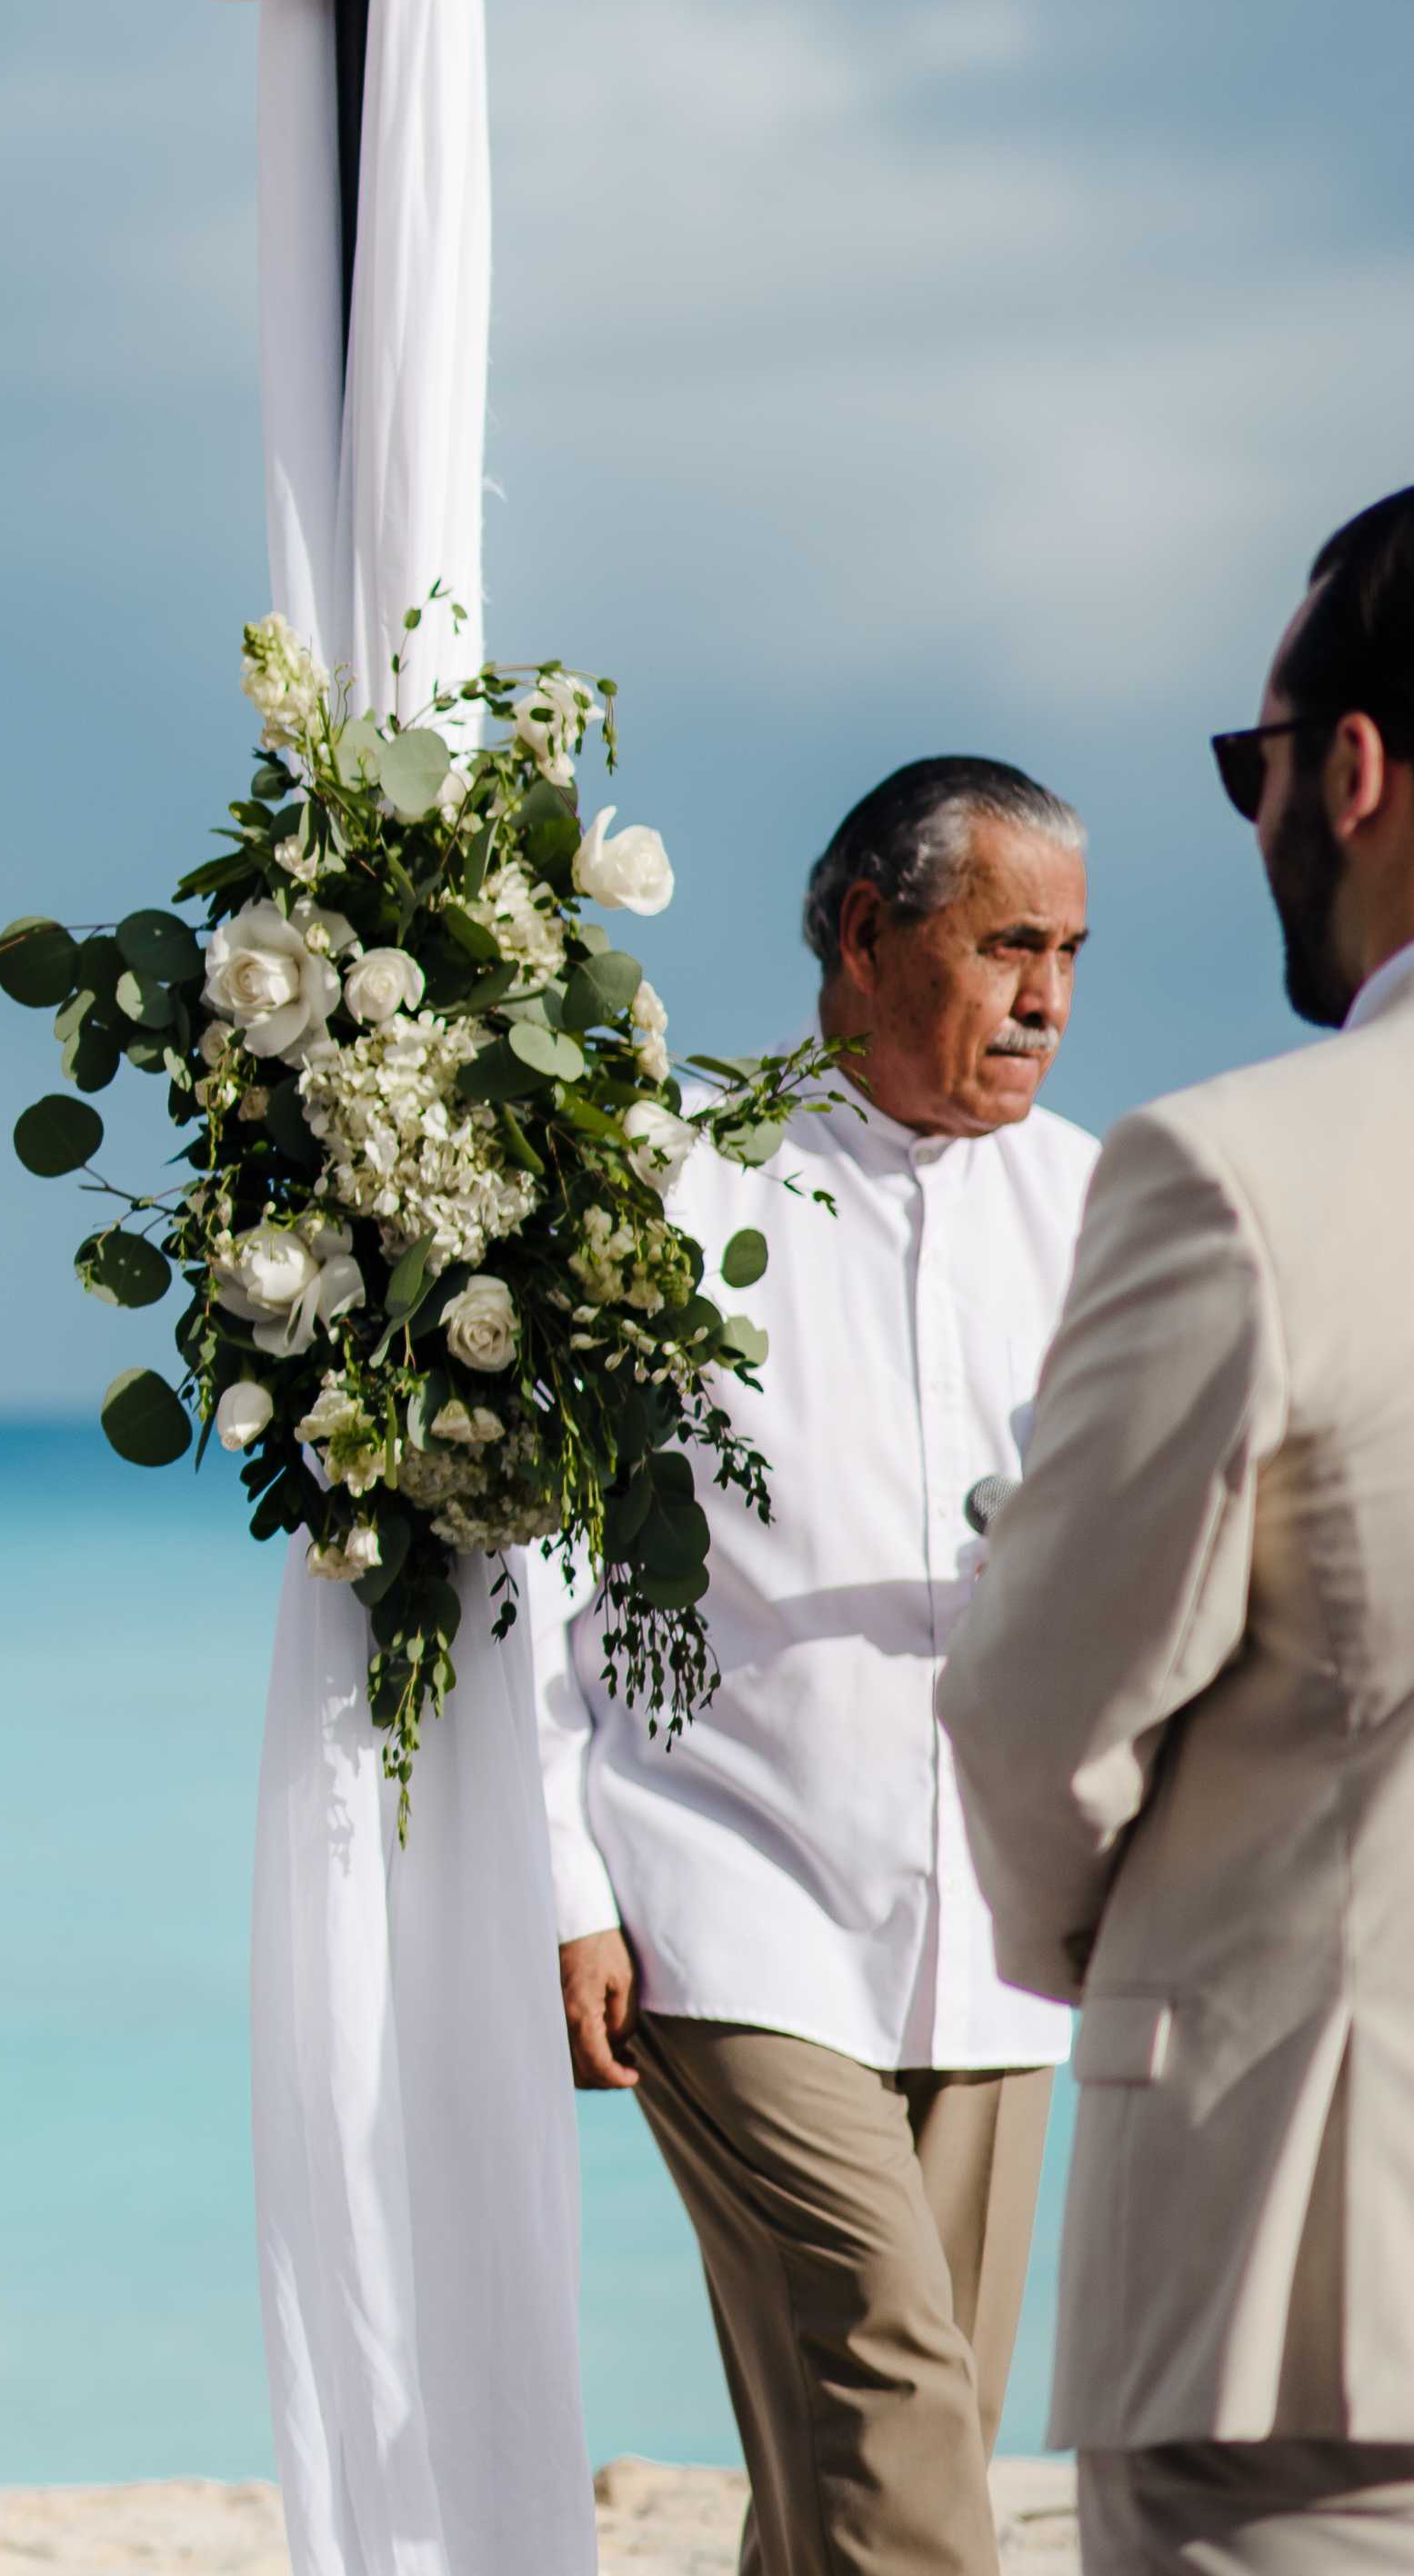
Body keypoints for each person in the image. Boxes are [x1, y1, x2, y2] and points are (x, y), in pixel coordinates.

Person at [528, 756, 1096, 2576]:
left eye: (1071, 954)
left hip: (1007, 1932)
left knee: (853, 2469)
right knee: (895, 2411)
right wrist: (557, 1886)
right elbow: (532, 1549)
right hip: (724, 1885)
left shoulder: (1106, 1207)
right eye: (1010, 946)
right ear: (864, 934)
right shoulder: (665, 1178)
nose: (1049, 1003)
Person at [947, 484, 1414, 2576]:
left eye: (1249, 766)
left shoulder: (1235, 1174)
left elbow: (1029, 1711)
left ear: (1347, 768)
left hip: (1313, 2275)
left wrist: (1114, 1962)